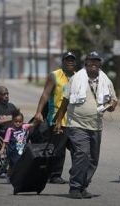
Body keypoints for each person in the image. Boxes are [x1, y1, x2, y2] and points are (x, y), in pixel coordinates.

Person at [54, 51, 118, 199]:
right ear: (86, 63)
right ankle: (75, 187)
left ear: (100, 64)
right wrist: (58, 121)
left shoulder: (106, 80)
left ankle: (83, 186)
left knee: (93, 159)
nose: (94, 64)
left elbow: (114, 102)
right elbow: (65, 101)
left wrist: (112, 105)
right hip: (77, 124)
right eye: (91, 61)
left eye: (96, 61)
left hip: (96, 125)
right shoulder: (76, 78)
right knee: (82, 155)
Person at [34, 51, 77, 184]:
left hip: (74, 119)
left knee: (77, 148)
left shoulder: (78, 76)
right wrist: (39, 112)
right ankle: (54, 175)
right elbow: (46, 94)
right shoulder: (54, 76)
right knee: (59, 148)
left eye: (72, 60)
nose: (70, 62)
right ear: (63, 61)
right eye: (67, 60)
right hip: (57, 117)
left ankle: (76, 174)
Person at [0, 109, 37, 181]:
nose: (18, 123)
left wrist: (37, 118)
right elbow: (6, 141)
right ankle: (8, 175)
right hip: (12, 151)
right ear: (12, 121)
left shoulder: (24, 127)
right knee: (12, 165)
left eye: (20, 122)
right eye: (16, 122)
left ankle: (20, 177)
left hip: (22, 149)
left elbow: (33, 124)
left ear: (22, 121)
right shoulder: (10, 130)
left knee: (21, 164)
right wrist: (2, 149)